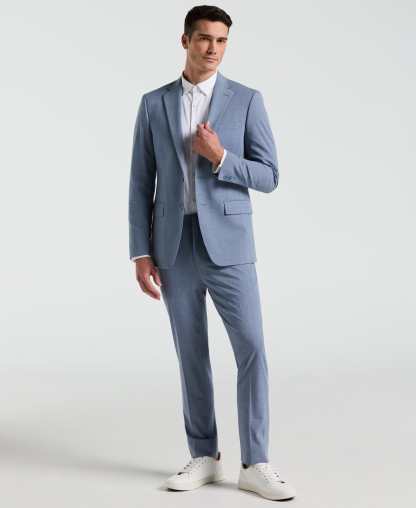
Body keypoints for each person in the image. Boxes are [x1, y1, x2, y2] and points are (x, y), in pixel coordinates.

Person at [128, 5, 296, 501]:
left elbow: (270, 175)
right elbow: (140, 182)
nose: (213, 49)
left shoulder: (246, 100)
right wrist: (140, 252)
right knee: (191, 354)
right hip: (172, 245)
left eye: (221, 40)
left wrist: (221, 157)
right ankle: (204, 455)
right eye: (204, 38)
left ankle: (255, 462)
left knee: (252, 349)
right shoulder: (153, 104)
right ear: (185, 41)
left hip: (230, 244)